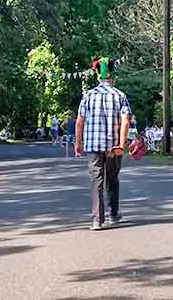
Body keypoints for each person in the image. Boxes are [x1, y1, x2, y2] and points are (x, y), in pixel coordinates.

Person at [76, 56, 131, 231]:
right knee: (112, 179)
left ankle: (97, 220)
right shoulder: (120, 95)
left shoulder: (88, 96)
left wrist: (78, 143)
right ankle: (113, 214)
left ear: (98, 76)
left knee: (96, 180)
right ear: (112, 77)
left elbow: (79, 121)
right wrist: (121, 144)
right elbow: (126, 120)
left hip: (93, 145)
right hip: (113, 146)